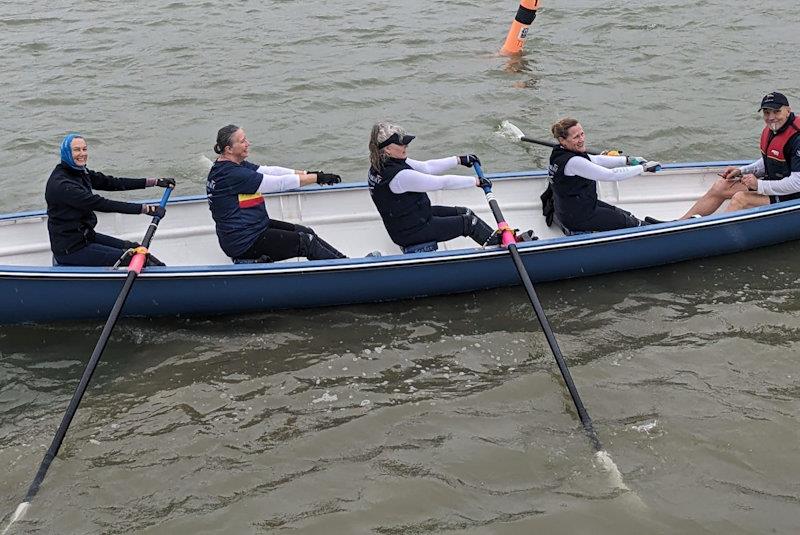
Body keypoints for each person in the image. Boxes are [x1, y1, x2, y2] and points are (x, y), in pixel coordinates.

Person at [206, 124, 346, 263]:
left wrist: (307, 174)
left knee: (307, 232)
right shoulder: (233, 174)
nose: (248, 144)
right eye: (242, 141)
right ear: (229, 149)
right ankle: (346, 271)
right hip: (245, 241)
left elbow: (269, 171)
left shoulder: (231, 165)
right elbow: (279, 183)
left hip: (255, 227)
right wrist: (317, 178)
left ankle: (345, 262)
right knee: (306, 242)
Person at [367, 121, 502, 250]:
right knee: (470, 223)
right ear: (387, 149)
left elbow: (427, 167)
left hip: (412, 218)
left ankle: (497, 240)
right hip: (411, 231)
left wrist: (459, 160)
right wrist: (476, 182)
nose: (405, 146)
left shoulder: (381, 163)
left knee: (465, 212)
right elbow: (442, 183)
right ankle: (500, 249)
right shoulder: (399, 176)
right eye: (401, 144)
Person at [45, 133, 174, 267]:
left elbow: (112, 183)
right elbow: (102, 204)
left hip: (86, 236)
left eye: (84, 149)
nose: (82, 153)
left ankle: (165, 273)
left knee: (135, 248)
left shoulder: (79, 172)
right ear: (66, 153)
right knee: (137, 259)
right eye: (77, 150)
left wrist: (155, 182)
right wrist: (147, 209)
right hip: (71, 249)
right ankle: (168, 281)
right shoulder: (62, 185)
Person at [680, 92, 800, 219]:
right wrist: (742, 171)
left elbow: (797, 183)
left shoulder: (797, 138)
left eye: (776, 111)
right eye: (766, 112)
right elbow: (770, 160)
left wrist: (759, 185)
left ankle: (712, 235)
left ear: (788, 111)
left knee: (740, 198)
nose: (771, 117)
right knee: (721, 186)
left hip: (793, 196)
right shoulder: (774, 129)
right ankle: (680, 223)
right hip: (775, 186)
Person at [547, 117, 661, 233]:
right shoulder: (573, 162)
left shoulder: (560, 153)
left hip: (574, 208)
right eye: (576, 137)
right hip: (578, 217)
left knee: (625, 214)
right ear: (562, 140)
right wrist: (643, 168)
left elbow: (596, 159)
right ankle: (657, 232)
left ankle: (649, 225)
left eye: (582, 134)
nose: (581, 139)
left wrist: (627, 160)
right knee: (627, 221)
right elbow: (611, 175)